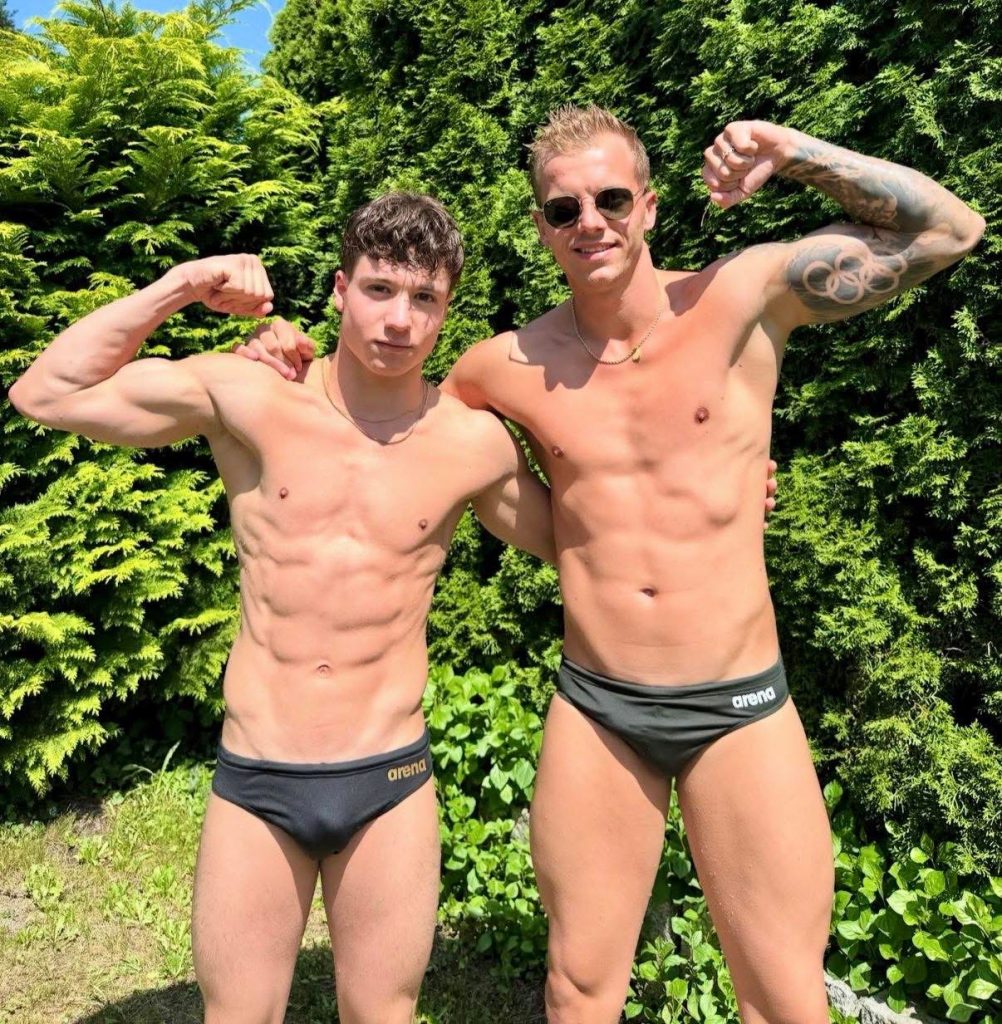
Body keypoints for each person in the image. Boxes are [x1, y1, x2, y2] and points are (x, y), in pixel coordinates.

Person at [241, 108, 984, 1023]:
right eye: (564, 209)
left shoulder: (742, 297)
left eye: (611, 199)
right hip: (599, 710)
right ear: (542, 226)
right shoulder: (502, 367)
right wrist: (286, 362)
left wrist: (793, 153)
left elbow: (950, 230)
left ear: (649, 206)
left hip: (739, 705)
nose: (589, 221)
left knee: (784, 996)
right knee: (579, 990)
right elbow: (388, 417)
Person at [7, 192, 557, 1024]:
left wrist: (719, 482)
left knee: (383, 1014)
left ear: (447, 311)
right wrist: (183, 284)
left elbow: (590, 543)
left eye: (424, 298)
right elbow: (45, 393)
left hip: (389, 779)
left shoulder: (470, 443)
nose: (399, 319)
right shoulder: (250, 396)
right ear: (340, 290)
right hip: (259, 775)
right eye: (379, 289)